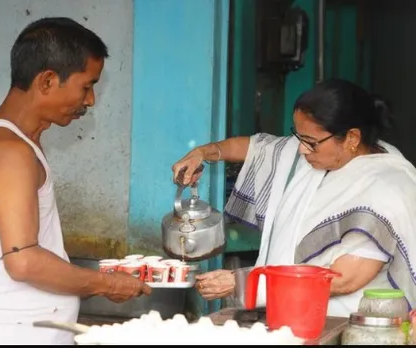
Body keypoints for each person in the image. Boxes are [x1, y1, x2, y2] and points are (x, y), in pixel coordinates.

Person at [0, 17, 151, 345]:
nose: (90, 100)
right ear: (47, 81)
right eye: (86, 86)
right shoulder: (9, 151)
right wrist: (108, 284)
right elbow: (24, 261)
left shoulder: (16, 145)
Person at [172, 78, 415, 317]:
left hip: (347, 323)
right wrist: (202, 153)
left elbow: (344, 280)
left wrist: (248, 283)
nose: (300, 149)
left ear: (352, 138)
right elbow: (256, 148)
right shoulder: (308, 156)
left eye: (311, 142)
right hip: (290, 316)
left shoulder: (387, 186)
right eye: (298, 137)